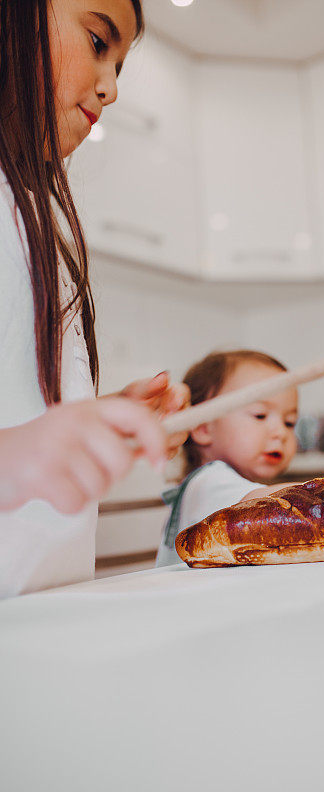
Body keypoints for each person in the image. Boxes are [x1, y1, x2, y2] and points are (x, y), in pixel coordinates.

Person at [0, 0, 189, 598]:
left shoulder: (23, 205)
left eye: (120, 66)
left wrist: (97, 418)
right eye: (98, 41)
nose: (109, 89)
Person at [156, 350, 299, 567]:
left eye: (289, 422)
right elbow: (277, 503)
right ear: (202, 427)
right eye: (260, 415)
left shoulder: (221, 484)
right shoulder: (209, 482)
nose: (281, 432)